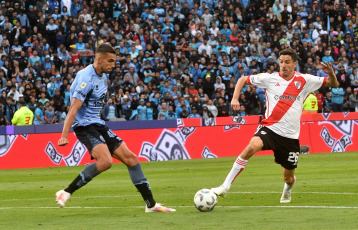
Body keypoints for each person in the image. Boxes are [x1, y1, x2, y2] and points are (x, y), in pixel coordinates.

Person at [55, 43, 175, 213]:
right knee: (106, 161)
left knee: (131, 159)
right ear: (99, 59)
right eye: (110, 61)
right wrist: (64, 135)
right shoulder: (85, 78)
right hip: (83, 126)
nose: (113, 65)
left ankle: (151, 205)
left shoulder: (103, 76)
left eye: (114, 61)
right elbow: (73, 109)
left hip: (97, 123)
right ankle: (66, 192)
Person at [211, 48, 338, 204]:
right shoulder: (269, 78)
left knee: (288, 177)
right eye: (281, 62)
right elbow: (242, 79)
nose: (283, 65)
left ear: (295, 64)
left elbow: (333, 83)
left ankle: (288, 189)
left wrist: (330, 73)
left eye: (287, 62)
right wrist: (235, 98)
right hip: (270, 128)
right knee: (250, 148)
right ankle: (225, 187)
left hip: (290, 137)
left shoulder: (305, 80)